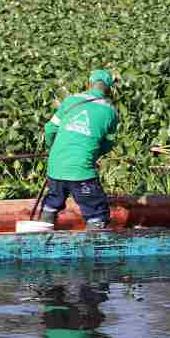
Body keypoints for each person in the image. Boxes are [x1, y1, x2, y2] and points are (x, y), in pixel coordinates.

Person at [40, 69, 119, 230]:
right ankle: (95, 251)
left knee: (51, 204)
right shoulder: (111, 112)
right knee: (97, 214)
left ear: (89, 83)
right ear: (109, 89)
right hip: (82, 171)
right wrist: (91, 155)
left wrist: (54, 149)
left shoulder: (70, 101)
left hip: (56, 167)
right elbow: (108, 144)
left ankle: (43, 240)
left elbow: (49, 130)